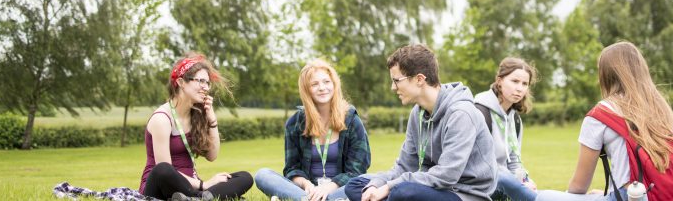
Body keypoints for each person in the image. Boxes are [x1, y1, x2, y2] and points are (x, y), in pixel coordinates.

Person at [536, 42, 673, 201]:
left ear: (605, 74)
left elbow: (580, 185)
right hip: (665, 195)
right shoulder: (659, 105)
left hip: (632, 196)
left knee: (538, 196)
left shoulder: (600, 115)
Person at [345, 44, 497, 201]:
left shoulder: (461, 113)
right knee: (357, 185)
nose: (393, 87)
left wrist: (389, 187)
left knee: (401, 192)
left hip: (465, 193)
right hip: (431, 187)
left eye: (396, 80)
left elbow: (447, 175)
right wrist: (377, 185)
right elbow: (404, 166)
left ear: (419, 79)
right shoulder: (417, 113)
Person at [139, 52, 253, 201]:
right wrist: (203, 185)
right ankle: (203, 197)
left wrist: (212, 120)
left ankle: (197, 199)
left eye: (207, 83)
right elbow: (163, 168)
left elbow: (212, 156)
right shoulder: (162, 119)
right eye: (200, 81)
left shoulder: (197, 115)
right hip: (160, 187)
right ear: (181, 82)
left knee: (245, 177)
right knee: (163, 169)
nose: (205, 87)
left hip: (191, 189)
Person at [255, 59, 371, 201]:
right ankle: (308, 198)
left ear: (334, 85)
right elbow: (292, 169)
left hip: (340, 189)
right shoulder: (295, 123)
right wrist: (306, 184)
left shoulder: (352, 120)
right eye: (314, 84)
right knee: (263, 175)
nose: (322, 88)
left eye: (326, 82)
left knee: (369, 180)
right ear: (306, 89)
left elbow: (357, 170)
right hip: (308, 190)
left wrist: (329, 187)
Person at [474, 57, 538, 201]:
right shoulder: (480, 112)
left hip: (503, 184)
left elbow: (514, 160)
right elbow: (481, 165)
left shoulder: (515, 119)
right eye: (514, 81)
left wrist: (524, 180)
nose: (520, 88)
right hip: (479, 185)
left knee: (531, 188)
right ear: (499, 80)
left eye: (524, 84)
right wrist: (517, 185)